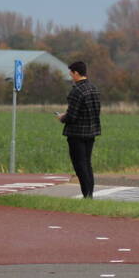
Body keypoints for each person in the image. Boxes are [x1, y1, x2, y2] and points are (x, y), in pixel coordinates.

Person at [57, 61, 101, 198]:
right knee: (87, 163)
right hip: (91, 132)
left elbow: (72, 116)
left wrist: (62, 118)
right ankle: (90, 194)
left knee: (79, 165)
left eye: (71, 72)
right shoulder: (94, 89)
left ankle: (86, 194)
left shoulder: (76, 91)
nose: (70, 75)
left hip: (76, 133)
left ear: (76, 72)